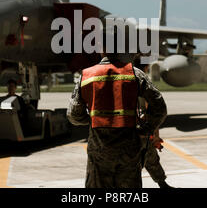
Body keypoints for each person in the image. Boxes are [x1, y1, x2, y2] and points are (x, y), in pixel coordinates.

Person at [67, 52, 167, 188]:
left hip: (99, 152)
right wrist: (146, 129)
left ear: (102, 51)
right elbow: (160, 108)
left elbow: (73, 115)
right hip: (129, 151)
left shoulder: (86, 75)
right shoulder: (135, 74)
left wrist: (93, 119)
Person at [134, 57, 173, 188]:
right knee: (145, 160)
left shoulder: (125, 80)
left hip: (127, 129)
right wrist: (155, 135)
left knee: (150, 159)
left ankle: (163, 184)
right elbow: (153, 110)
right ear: (145, 68)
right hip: (141, 129)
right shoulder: (143, 82)